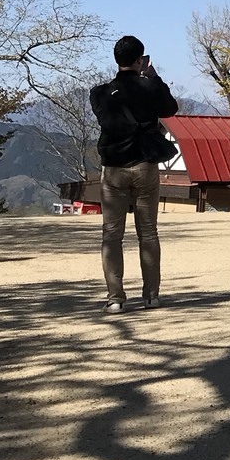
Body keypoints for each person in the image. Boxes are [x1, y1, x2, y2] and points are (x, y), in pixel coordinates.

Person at [90, 35, 178, 314]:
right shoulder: (149, 87)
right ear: (140, 59)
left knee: (111, 234)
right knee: (148, 232)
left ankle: (115, 298)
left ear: (116, 60)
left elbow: (107, 120)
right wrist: (153, 78)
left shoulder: (99, 93)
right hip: (144, 166)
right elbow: (171, 109)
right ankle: (151, 296)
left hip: (114, 168)